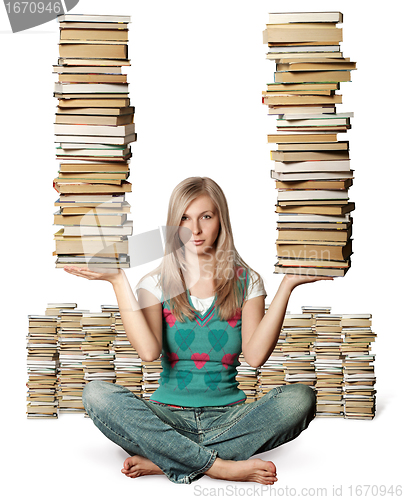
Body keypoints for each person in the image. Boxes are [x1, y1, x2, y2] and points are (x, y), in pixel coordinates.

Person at [64, 176, 333, 485]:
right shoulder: (154, 283)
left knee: (300, 399)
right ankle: (219, 466)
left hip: (229, 419)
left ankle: (165, 459)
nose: (195, 230)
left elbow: (256, 357)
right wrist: (117, 281)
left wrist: (287, 285)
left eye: (206, 216)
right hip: (165, 418)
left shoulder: (248, 281)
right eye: (184, 219)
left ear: (221, 219)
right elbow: (149, 353)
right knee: (96, 394)